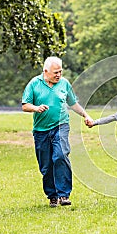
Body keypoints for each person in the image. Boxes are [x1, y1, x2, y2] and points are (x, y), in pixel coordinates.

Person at [22, 56, 93, 207]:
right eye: (55, 72)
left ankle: (64, 195)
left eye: (60, 71)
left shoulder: (64, 84)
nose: (58, 75)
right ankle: (52, 195)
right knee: (46, 165)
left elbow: (73, 104)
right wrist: (36, 108)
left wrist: (86, 115)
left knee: (60, 155)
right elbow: (25, 105)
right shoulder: (34, 83)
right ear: (45, 71)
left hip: (61, 125)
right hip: (41, 130)